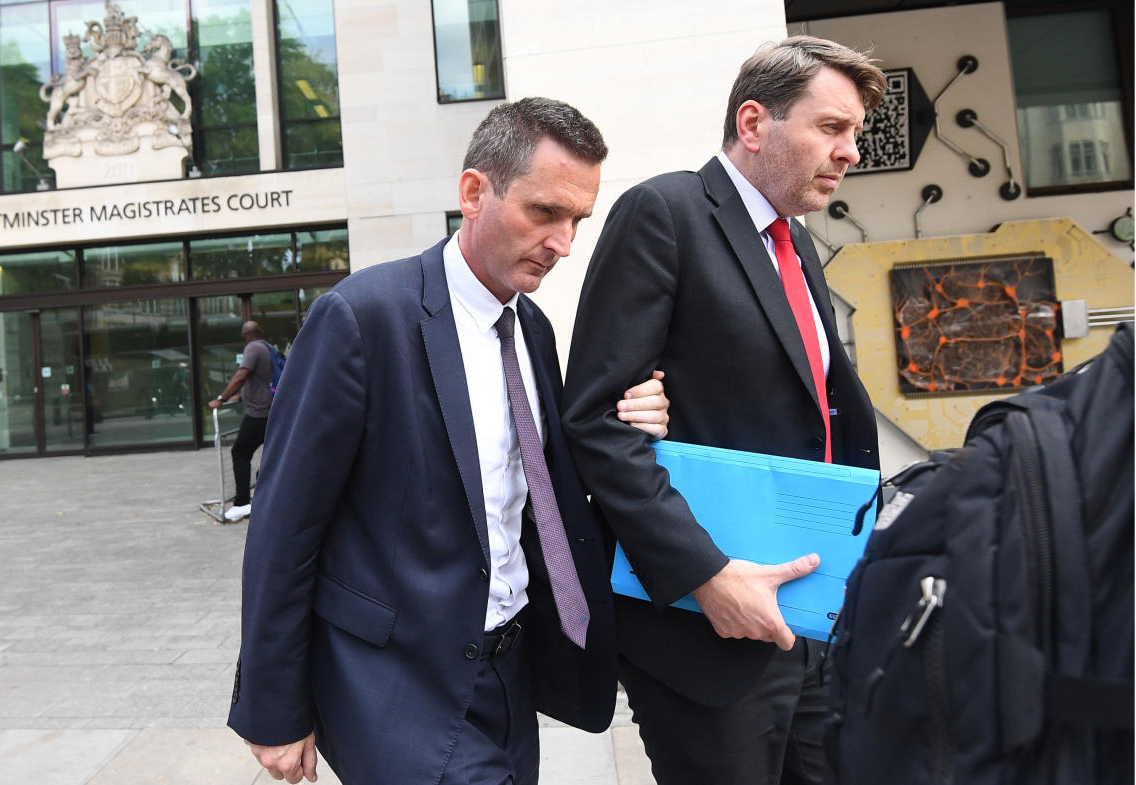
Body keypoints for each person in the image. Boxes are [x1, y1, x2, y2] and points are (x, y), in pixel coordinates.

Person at [227, 97, 670, 785]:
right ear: (474, 192)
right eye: (545, 212)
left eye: (577, 219)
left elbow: (537, 492)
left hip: (510, 676)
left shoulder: (535, 330)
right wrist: (273, 705)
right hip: (391, 683)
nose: (564, 243)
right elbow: (284, 526)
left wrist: (629, 418)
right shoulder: (361, 318)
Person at [561, 36, 887, 785]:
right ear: (753, 124)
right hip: (704, 633)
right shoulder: (664, 213)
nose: (851, 152)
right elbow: (597, 422)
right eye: (832, 128)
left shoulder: (796, 243)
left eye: (856, 135)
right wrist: (705, 575)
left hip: (808, 622)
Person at [209, 320, 273, 522]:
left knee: (240, 453)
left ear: (244, 336)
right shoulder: (268, 348)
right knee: (269, 455)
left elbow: (241, 375)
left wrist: (221, 399)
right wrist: (240, 397)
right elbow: (261, 381)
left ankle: (242, 504)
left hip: (258, 414)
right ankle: (265, 498)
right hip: (272, 411)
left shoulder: (253, 348)